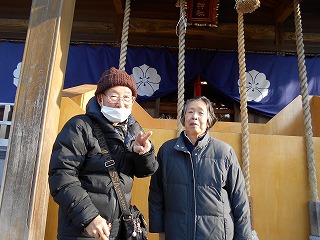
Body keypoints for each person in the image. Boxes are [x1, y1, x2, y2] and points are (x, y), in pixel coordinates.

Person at [49, 67, 158, 240]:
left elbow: (146, 171)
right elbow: (61, 176)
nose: (121, 103)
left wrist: (144, 154)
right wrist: (89, 217)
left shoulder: (132, 129)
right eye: (114, 96)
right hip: (82, 229)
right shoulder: (79, 127)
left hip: (118, 228)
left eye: (126, 97)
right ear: (100, 99)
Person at [148, 96, 252, 240]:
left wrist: (243, 237)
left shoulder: (224, 152)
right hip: (177, 233)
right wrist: (160, 231)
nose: (194, 117)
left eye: (200, 113)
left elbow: (239, 199)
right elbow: (156, 194)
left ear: (209, 120)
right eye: (190, 112)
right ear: (183, 117)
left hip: (217, 234)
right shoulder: (167, 151)